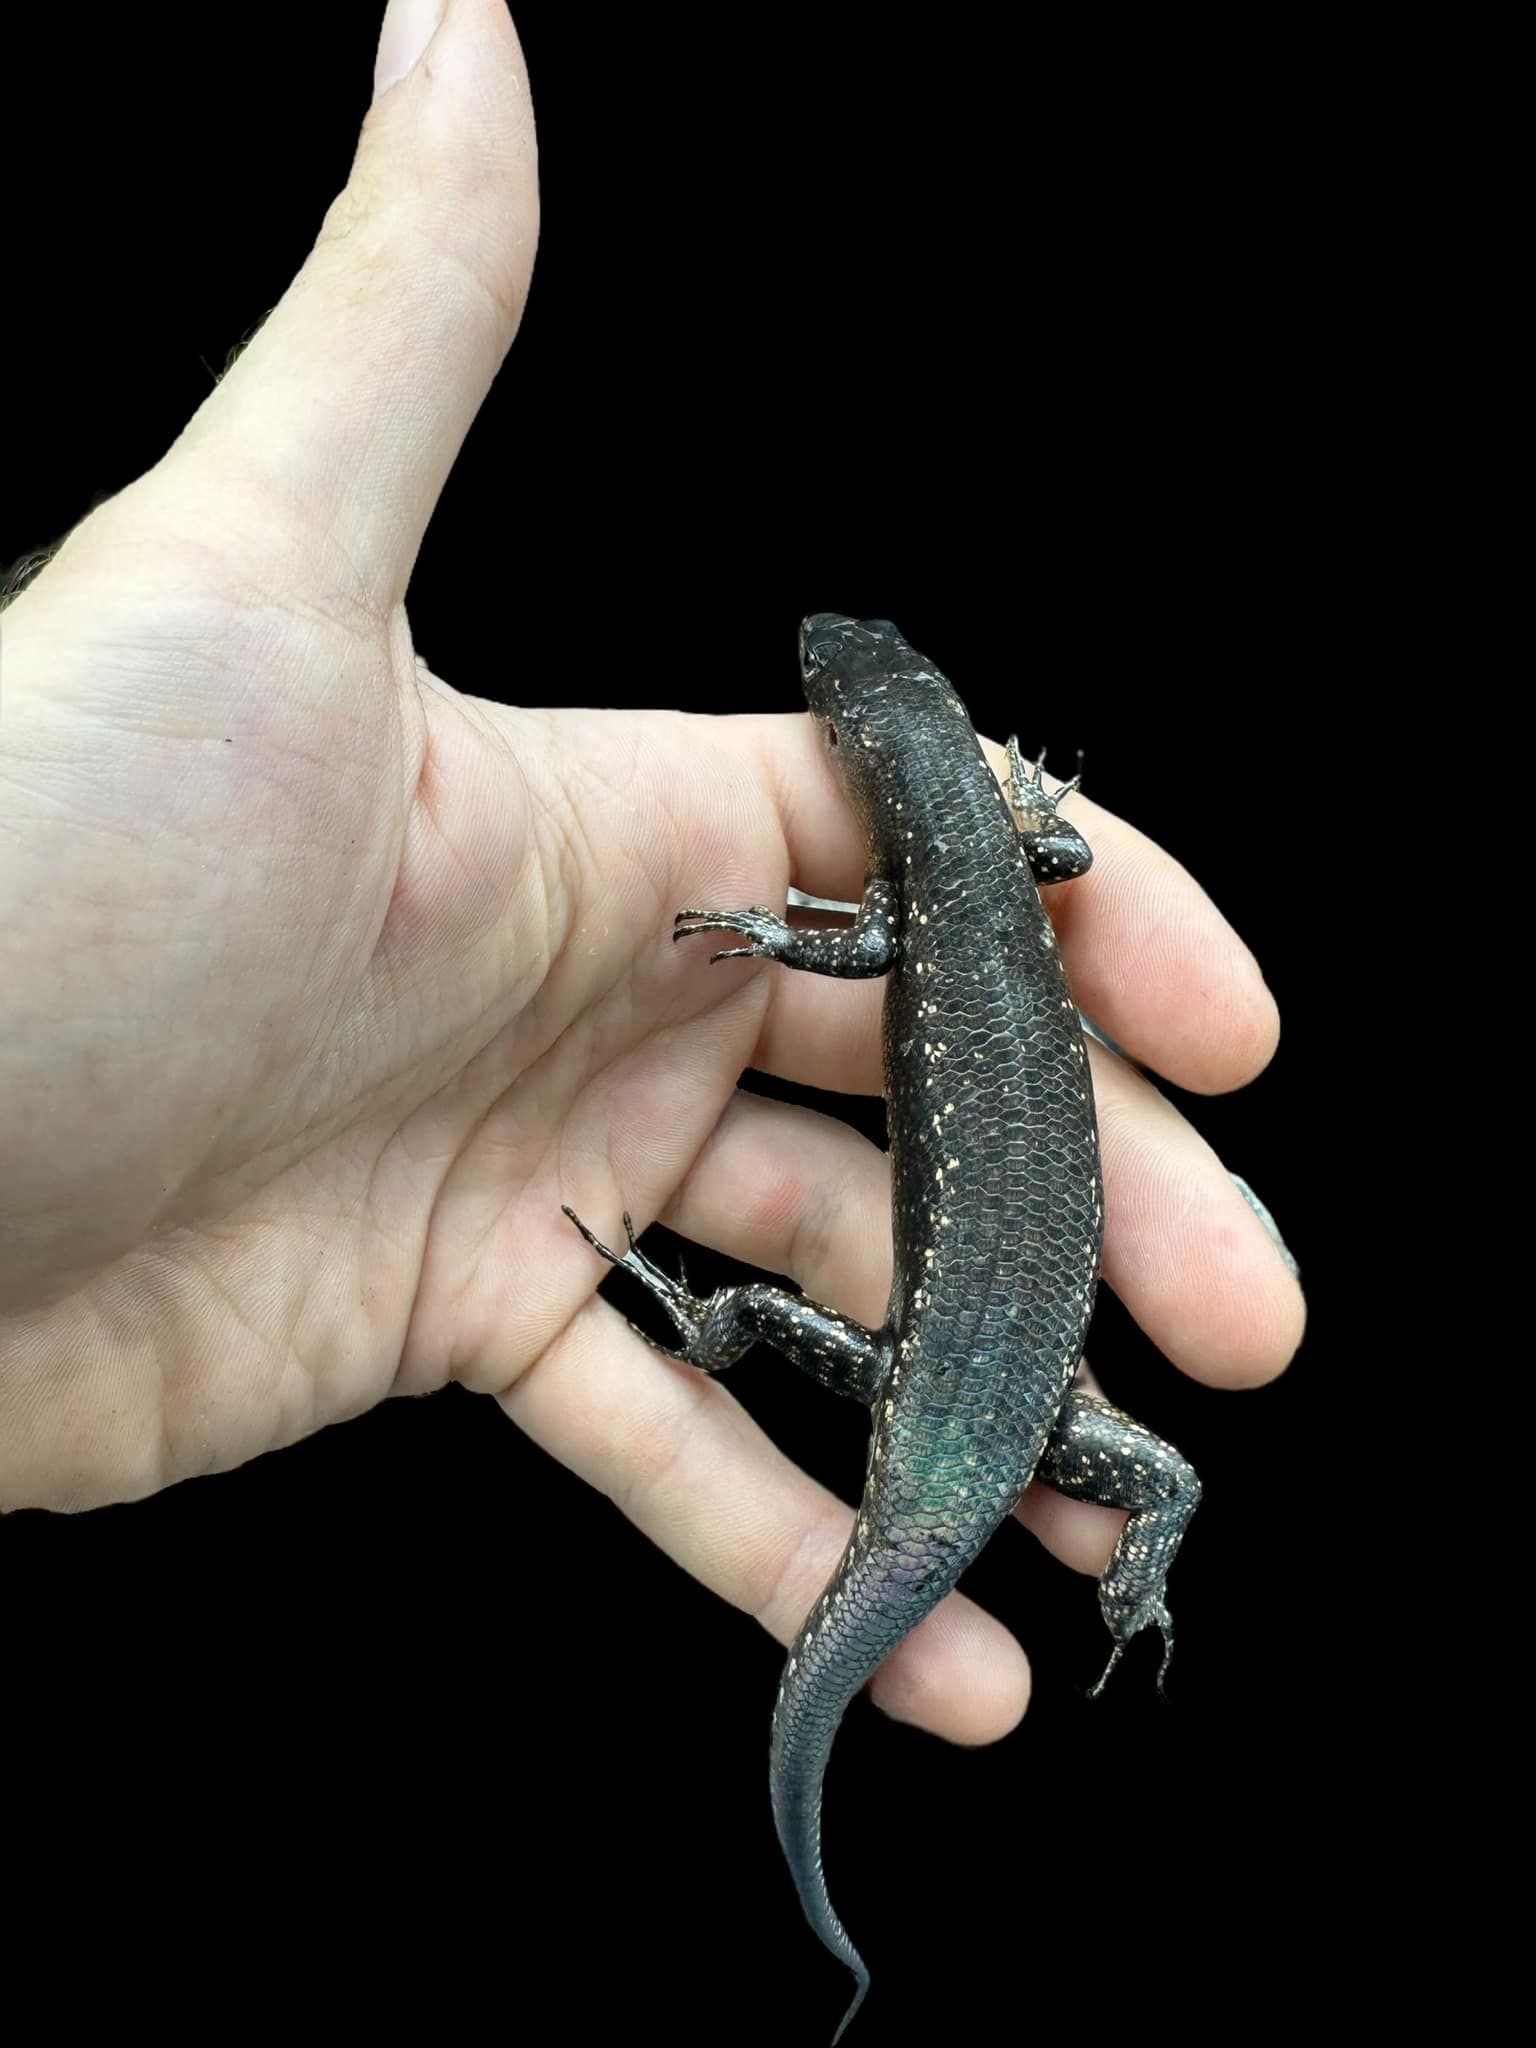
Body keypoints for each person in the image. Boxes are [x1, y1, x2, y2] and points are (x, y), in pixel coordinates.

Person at [0, 0, 1301, 1749]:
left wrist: (777, 927)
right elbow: (1039, 853)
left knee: (875, 1356)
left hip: (952, 1394)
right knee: (1156, 1477)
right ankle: (887, 1437)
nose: (834, 684)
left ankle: (722, 1336)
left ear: (867, 753)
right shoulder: (995, 865)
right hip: (960, 1388)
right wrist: (952, 846)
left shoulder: (914, 911)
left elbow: (855, 945)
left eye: (848, 695)